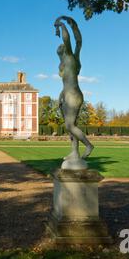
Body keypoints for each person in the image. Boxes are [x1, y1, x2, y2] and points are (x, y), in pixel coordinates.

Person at [54, 16, 94, 160]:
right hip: (66, 94)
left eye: (61, 47)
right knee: (71, 125)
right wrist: (61, 95)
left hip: (73, 94)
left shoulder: (70, 57)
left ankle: (88, 145)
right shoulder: (64, 61)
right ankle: (75, 152)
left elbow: (72, 40)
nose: (60, 47)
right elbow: (78, 42)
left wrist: (63, 24)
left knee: (70, 125)